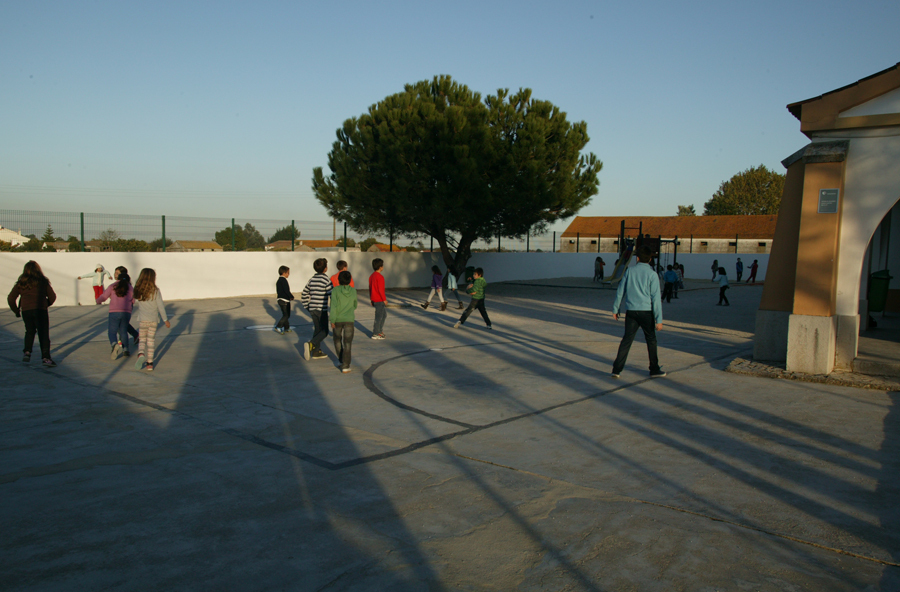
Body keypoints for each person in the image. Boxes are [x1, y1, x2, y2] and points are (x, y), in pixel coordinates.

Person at [611, 245, 665, 378]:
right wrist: (659, 319)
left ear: (637, 258)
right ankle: (654, 369)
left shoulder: (629, 271)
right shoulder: (652, 275)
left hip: (631, 311)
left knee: (627, 340)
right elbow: (656, 298)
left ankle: (616, 370)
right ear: (650, 259)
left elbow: (620, 291)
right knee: (651, 340)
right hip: (646, 312)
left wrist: (616, 309)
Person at [8, 260, 57, 367]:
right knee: (43, 334)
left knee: (30, 331)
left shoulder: (21, 283)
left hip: (26, 311)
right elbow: (52, 297)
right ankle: (46, 358)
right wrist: (45, 304)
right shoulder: (43, 282)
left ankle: (27, 352)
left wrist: (16, 310)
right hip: (40, 310)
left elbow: (11, 298)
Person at [132, 268, 171, 372]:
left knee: (142, 340)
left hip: (142, 320)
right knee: (150, 341)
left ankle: (141, 354)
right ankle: (150, 363)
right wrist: (165, 320)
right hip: (153, 320)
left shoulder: (138, 290)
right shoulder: (155, 291)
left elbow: (133, 298)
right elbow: (160, 306)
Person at [97, 268, 133, 360]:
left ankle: (114, 344)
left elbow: (104, 296)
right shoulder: (130, 287)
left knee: (112, 331)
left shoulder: (113, 286)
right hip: (126, 312)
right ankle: (126, 349)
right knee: (123, 331)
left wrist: (98, 300)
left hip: (114, 312)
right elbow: (133, 300)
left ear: (118, 279)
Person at [300, 258, 332, 360]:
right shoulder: (326, 280)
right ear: (325, 268)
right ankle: (311, 344)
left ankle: (316, 351)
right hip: (321, 310)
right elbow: (332, 294)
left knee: (317, 330)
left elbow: (304, 293)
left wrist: (307, 306)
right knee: (324, 331)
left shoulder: (312, 279)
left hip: (312, 309)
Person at [330, 271, 358, 373]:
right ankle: (346, 365)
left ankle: (341, 360)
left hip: (337, 319)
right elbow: (355, 305)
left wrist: (332, 320)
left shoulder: (335, 290)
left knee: (337, 340)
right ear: (350, 280)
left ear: (338, 280)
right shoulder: (353, 291)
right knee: (348, 343)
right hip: (349, 319)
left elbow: (333, 306)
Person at [114, 266, 140, 346]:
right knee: (122, 323)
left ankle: (123, 340)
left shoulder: (126, 285)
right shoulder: (117, 284)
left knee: (119, 323)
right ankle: (135, 335)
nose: (115, 274)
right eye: (115, 272)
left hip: (124, 306)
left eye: (117, 273)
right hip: (120, 307)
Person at [369, 258, 388, 339]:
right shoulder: (380, 277)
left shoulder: (371, 276)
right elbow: (381, 289)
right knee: (379, 317)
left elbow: (370, 288)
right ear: (380, 267)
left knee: (383, 315)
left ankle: (379, 330)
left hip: (374, 299)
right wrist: (384, 299)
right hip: (379, 300)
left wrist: (371, 299)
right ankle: (376, 333)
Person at [275, 265, 293, 335]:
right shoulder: (284, 280)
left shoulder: (279, 280)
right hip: (284, 300)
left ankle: (286, 328)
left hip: (280, 299)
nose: (289, 274)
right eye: (288, 273)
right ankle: (278, 326)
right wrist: (291, 296)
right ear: (284, 273)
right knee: (286, 315)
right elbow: (286, 290)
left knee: (285, 315)